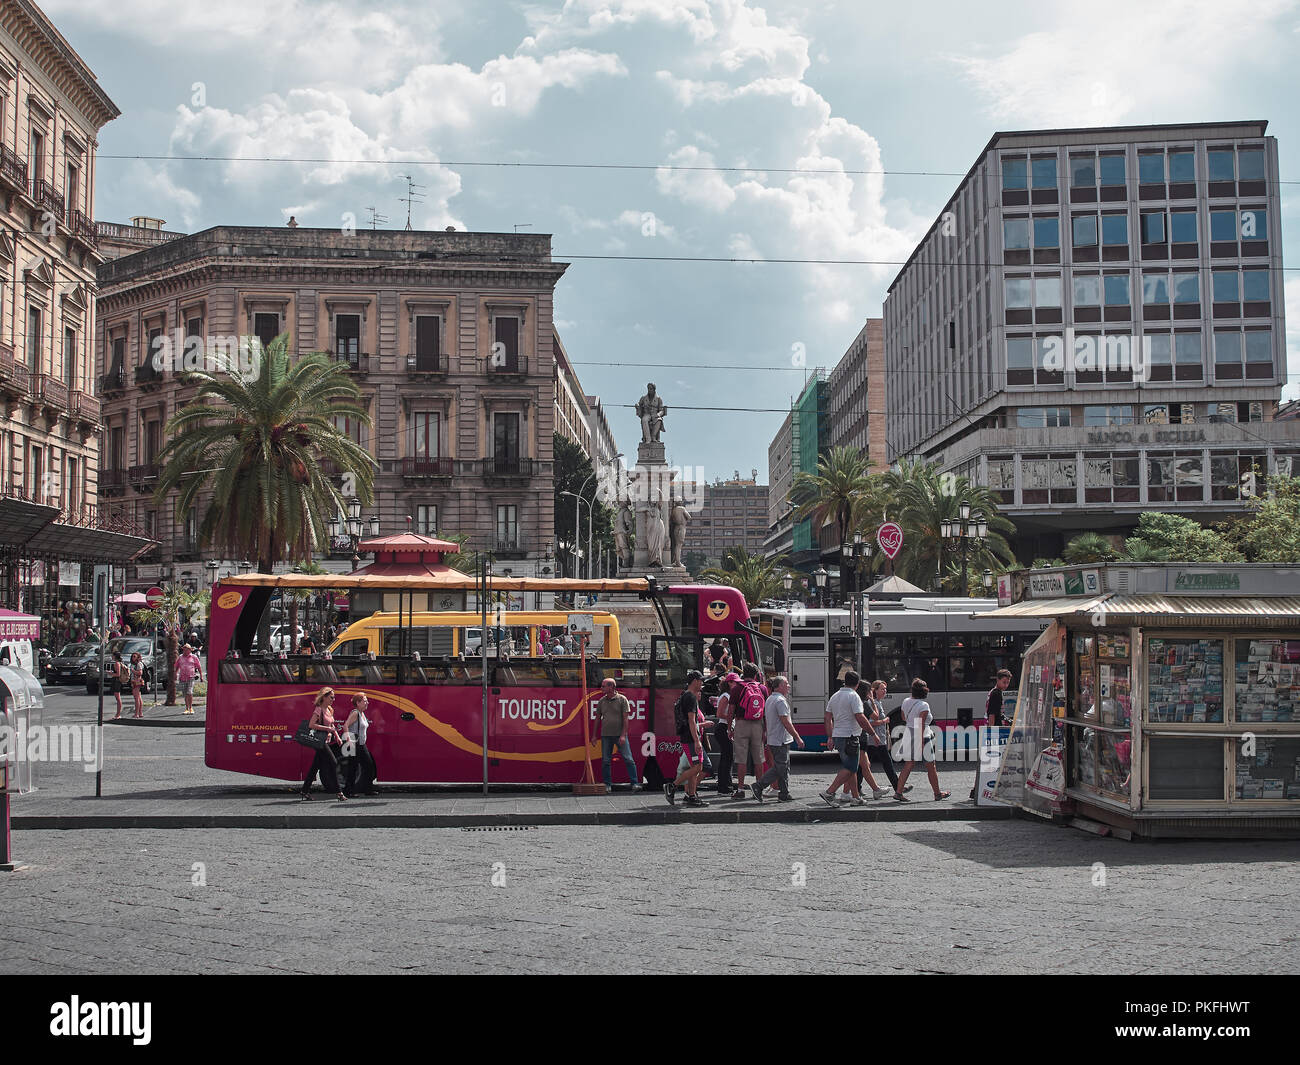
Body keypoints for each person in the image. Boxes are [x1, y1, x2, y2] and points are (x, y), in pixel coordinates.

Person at [820, 670, 876, 805]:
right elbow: (860, 717)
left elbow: (827, 717)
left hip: (838, 735)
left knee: (851, 766)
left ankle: (855, 797)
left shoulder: (835, 696)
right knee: (851, 768)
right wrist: (873, 733)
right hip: (850, 736)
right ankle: (829, 792)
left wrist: (830, 736)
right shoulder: (854, 696)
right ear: (857, 684)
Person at [895, 678, 950, 802]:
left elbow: (903, 717)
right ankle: (937, 793)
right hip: (923, 736)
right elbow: (921, 724)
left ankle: (898, 792)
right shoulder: (923, 705)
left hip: (908, 733)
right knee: (931, 766)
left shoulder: (906, 701)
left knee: (908, 764)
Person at [751, 675, 802, 802]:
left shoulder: (770, 699)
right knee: (780, 767)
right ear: (779, 686)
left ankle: (784, 793)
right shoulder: (780, 701)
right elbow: (785, 722)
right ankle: (758, 786)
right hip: (781, 739)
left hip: (774, 738)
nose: (789, 686)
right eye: (786, 684)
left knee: (784, 767)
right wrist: (797, 737)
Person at [665, 670, 708, 807]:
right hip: (690, 738)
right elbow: (691, 721)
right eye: (701, 680)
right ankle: (672, 786)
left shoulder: (685, 695)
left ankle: (691, 796)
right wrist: (697, 741)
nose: (702, 683)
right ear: (695, 681)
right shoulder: (691, 697)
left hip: (686, 736)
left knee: (694, 767)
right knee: (697, 767)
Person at [728, 663, 768, 800]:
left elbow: (731, 710)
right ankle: (759, 789)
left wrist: (729, 727)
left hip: (741, 724)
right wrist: (765, 730)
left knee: (741, 759)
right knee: (758, 759)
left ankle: (740, 789)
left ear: (743, 674)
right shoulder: (762, 688)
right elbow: (765, 711)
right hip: (758, 725)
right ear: (756, 675)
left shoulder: (737, 688)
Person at [861, 679, 907, 796]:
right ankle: (898, 787)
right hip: (875, 739)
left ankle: (857, 787)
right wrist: (885, 720)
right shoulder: (873, 703)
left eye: (885, 689)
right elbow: (870, 722)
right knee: (887, 763)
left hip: (878, 739)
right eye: (882, 689)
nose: (884, 691)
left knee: (865, 765)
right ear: (874, 690)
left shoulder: (878, 703)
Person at [594, 677, 641, 791]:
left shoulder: (622, 699)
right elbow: (597, 719)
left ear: (611, 687)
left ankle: (634, 783)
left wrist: (623, 735)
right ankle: (607, 784)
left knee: (628, 758)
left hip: (619, 735)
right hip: (606, 735)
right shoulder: (601, 701)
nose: (601, 688)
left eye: (604, 686)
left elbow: (626, 719)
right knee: (606, 760)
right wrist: (594, 735)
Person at [301, 687, 347, 801]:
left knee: (315, 767)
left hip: (326, 740)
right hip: (320, 742)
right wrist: (327, 729)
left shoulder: (329, 710)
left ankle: (304, 790)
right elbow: (311, 725)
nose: (333, 699)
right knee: (333, 762)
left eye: (334, 697)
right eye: (331, 697)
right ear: (324, 697)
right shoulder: (318, 709)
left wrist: (337, 737)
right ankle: (339, 793)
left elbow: (332, 726)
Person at [701, 661, 734, 793]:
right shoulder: (726, 696)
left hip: (724, 728)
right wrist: (733, 717)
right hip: (723, 728)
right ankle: (724, 786)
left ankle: (725, 785)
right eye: (735, 682)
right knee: (727, 757)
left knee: (727, 757)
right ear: (730, 683)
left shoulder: (726, 695)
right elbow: (720, 714)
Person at [342, 692, 378, 797]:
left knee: (369, 765)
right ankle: (348, 791)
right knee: (352, 767)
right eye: (365, 701)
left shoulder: (362, 713)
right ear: (358, 702)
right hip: (354, 743)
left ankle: (368, 789)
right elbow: (345, 726)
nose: (367, 702)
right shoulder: (355, 713)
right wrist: (348, 740)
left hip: (361, 744)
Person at [175, 643, 204, 715]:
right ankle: (187, 708)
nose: (185, 650)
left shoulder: (194, 657)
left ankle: (191, 707)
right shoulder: (180, 657)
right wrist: (175, 674)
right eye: (184, 649)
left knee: (189, 692)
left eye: (186, 649)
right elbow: (177, 666)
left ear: (189, 650)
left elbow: (199, 667)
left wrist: (201, 676)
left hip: (191, 677)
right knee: (185, 693)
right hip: (182, 677)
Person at [109, 651, 125, 720]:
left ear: (115, 656)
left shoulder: (117, 663)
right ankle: (117, 714)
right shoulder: (119, 663)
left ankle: (118, 714)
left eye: (112, 656)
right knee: (117, 698)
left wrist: (110, 673)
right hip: (117, 681)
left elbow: (118, 674)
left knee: (118, 698)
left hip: (116, 681)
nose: (112, 657)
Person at [129, 651, 146, 719]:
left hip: (137, 681)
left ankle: (136, 713)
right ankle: (140, 712)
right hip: (134, 681)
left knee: (136, 698)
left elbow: (140, 673)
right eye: (132, 656)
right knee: (138, 697)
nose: (133, 658)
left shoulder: (138, 664)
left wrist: (133, 671)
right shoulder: (134, 664)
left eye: (135, 656)